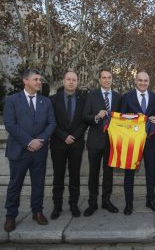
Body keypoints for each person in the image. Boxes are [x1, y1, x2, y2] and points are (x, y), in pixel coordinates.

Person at [3, 69, 56, 232]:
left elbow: (52, 123)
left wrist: (40, 140)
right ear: (25, 81)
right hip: (19, 150)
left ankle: (37, 212)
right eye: (36, 79)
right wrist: (28, 141)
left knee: (38, 184)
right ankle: (11, 217)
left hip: (39, 151)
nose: (39, 82)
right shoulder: (12, 100)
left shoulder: (45, 101)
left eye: (40, 79)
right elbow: (10, 125)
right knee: (15, 185)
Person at [120, 70, 155, 215]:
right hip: (132, 142)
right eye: (140, 80)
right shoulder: (127, 97)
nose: (143, 83)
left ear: (148, 82)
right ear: (135, 81)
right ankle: (128, 204)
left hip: (150, 140)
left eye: (145, 81)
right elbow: (121, 118)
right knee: (129, 174)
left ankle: (150, 200)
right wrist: (132, 117)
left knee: (151, 173)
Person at [82, 69, 122, 216]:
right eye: (104, 78)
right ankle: (92, 203)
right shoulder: (91, 96)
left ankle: (106, 201)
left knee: (108, 173)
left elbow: (123, 118)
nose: (106, 80)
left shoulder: (118, 97)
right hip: (95, 141)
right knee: (93, 173)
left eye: (109, 77)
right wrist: (97, 117)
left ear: (112, 79)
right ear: (99, 80)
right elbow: (85, 116)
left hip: (112, 142)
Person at [49, 71, 87, 219]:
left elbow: (85, 121)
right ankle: (57, 206)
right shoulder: (52, 100)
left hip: (76, 144)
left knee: (75, 177)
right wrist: (64, 136)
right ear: (63, 81)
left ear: (77, 82)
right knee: (58, 177)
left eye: (74, 80)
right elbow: (51, 121)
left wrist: (75, 136)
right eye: (68, 79)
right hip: (58, 143)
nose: (71, 82)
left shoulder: (83, 100)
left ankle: (73, 205)